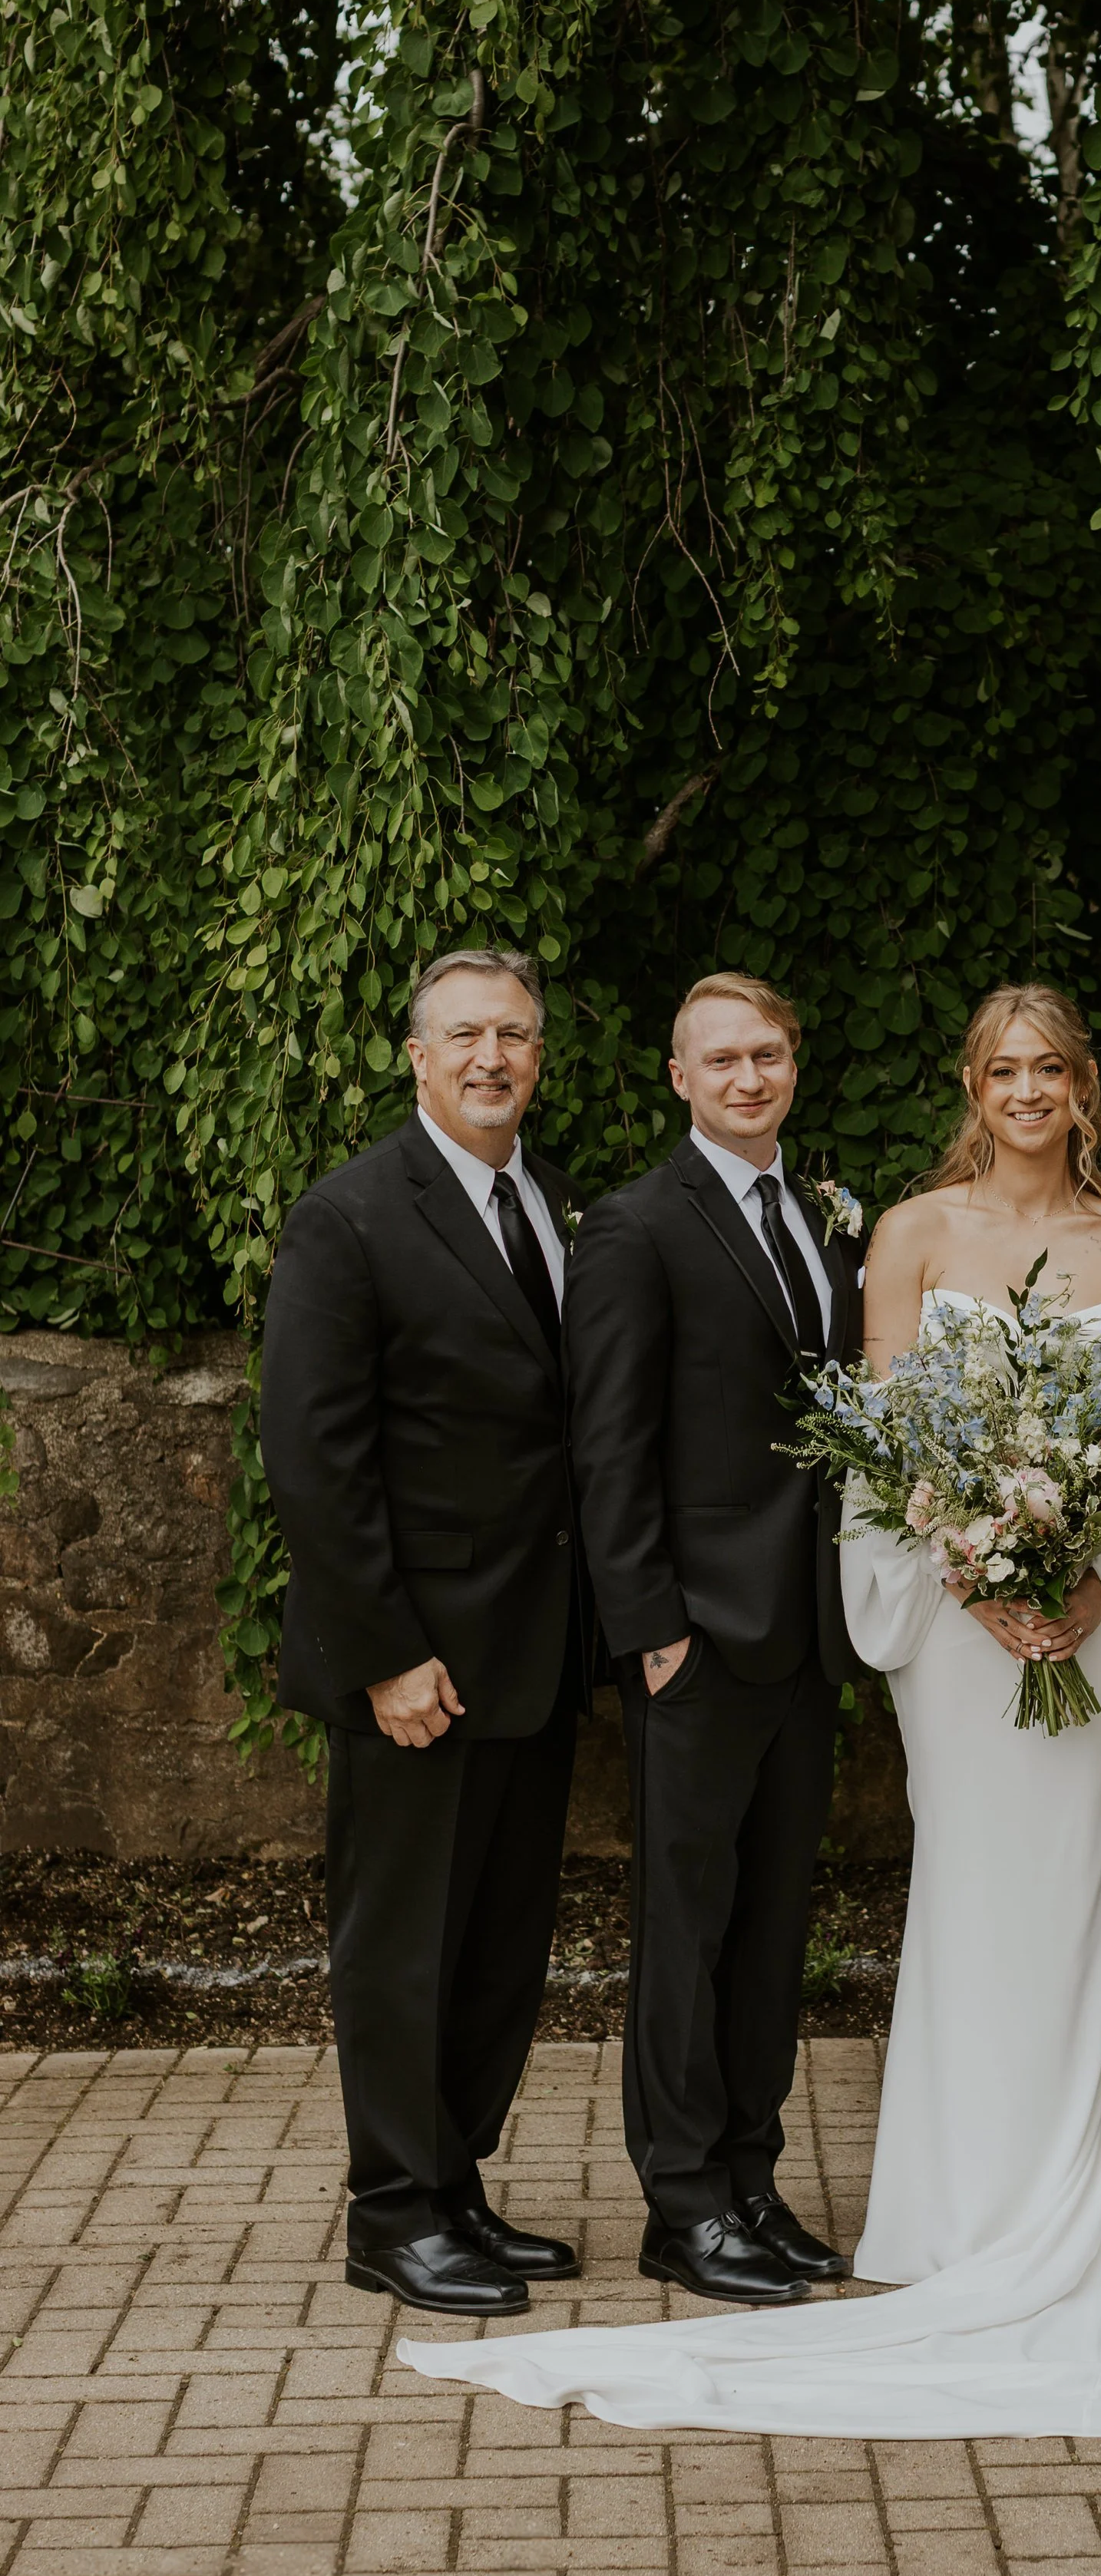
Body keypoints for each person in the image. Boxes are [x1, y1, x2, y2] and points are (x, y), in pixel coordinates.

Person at [401, 986, 1101, 2436]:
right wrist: (972, 1562)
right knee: (961, 1897)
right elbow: (874, 1450)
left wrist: (1100, 1600)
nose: (1024, 1089)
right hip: (954, 1633)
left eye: (1049, 1067)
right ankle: (934, 2215)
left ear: (1083, 1085)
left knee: (1062, 1900)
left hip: (1093, 1627)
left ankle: (1054, 2189)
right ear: (971, 1080)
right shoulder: (908, 1237)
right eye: (1001, 1067)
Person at [260, 946, 592, 2318]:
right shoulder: (349, 1219)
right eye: (463, 1035)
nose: (490, 1058)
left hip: (536, 1646)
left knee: (502, 1940)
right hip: (421, 1661)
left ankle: (455, 2179)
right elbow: (313, 1457)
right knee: (401, 1942)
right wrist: (387, 1651)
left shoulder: (552, 1204)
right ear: (417, 1055)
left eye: (512, 1035)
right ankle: (392, 2211)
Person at [557, 972, 865, 2307]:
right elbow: (608, 1445)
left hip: (805, 1633)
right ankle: (681, 2205)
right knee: (685, 1931)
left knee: (772, 1926)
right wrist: (652, 1633)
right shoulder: (635, 1225)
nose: (749, 1077)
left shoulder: (819, 1214)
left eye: (769, 1054)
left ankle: (750, 2174)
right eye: (722, 1059)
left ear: (795, 1064)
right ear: (679, 1076)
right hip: (698, 1637)